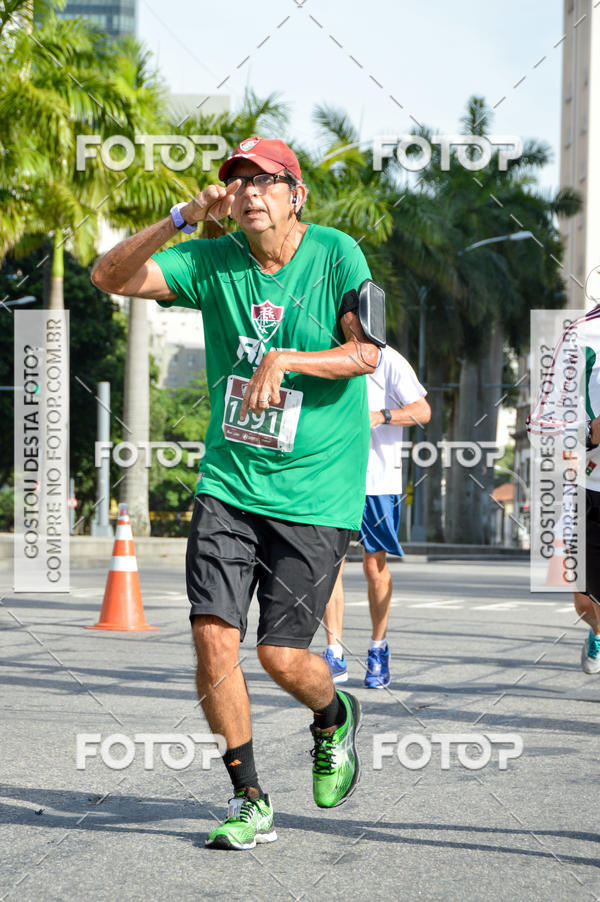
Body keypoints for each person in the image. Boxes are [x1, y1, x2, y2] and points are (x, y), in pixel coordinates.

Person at [91, 136, 380, 851]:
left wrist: (285, 360)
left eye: (266, 180)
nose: (250, 191)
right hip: (229, 482)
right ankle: (248, 797)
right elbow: (108, 276)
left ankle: (333, 717)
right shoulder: (210, 259)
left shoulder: (338, 254)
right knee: (213, 637)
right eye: (239, 180)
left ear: (296, 195)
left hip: (316, 490)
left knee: (282, 658)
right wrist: (180, 218)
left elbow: (366, 353)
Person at [323, 344, 431, 687]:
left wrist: (380, 416)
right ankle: (334, 653)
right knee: (330, 565)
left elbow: (423, 411)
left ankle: (378, 647)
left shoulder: (388, 359)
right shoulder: (324, 353)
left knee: (374, 567)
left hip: (379, 481)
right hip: (333, 477)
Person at [527, 304, 600, 674]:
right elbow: (540, 423)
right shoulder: (582, 335)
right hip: (592, 485)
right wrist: (590, 431)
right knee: (585, 601)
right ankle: (597, 629)